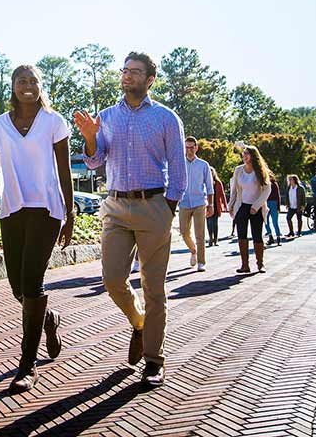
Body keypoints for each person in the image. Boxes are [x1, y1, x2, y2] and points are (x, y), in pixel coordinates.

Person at [74, 51, 186, 388]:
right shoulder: (106, 116)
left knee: (155, 289)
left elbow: (178, 169)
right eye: (125, 70)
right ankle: (138, 323)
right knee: (112, 280)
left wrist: (168, 208)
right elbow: (94, 162)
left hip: (154, 206)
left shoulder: (167, 118)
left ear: (150, 79)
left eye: (135, 72)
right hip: (116, 207)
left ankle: (154, 360)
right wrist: (92, 136)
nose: (127, 76)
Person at [0, 64, 75, 394]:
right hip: (13, 209)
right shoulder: (0, 125)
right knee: (18, 287)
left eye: (33, 81)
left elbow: (64, 169)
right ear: (13, 87)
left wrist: (70, 212)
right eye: (21, 81)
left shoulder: (53, 122)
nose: (27, 86)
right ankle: (47, 319)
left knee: (32, 281)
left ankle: (27, 364)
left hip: (46, 209)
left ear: (40, 86)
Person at [228, 144, 272, 273]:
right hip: (242, 206)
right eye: (244, 153)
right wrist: (231, 205)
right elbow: (234, 189)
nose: (244, 156)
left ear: (253, 156)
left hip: (256, 208)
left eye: (247, 153)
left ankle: (260, 263)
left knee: (257, 235)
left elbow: (267, 190)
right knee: (241, 234)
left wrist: (256, 206)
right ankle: (244, 265)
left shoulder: (260, 171)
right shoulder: (238, 170)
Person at [179, 136, 214, 271]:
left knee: (200, 234)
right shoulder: (180, 164)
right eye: (187, 147)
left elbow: (209, 186)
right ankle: (193, 250)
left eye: (191, 147)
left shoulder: (203, 165)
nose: (189, 150)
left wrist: (210, 205)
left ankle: (201, 261)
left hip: (199, 202)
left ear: (196, 148)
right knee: (183, 232)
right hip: (184, 203)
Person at [206, 167, 226, 247]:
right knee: (209, 223)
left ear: (214, 173)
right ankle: (210, 238)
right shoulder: (205, 182)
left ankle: (215, 239)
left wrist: (225, 204)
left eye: (212, 172)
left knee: (215, 223)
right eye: (209, 172)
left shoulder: (218, 182)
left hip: (216, 206)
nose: (210, 174)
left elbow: (222, 194)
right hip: (207, 205)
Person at [264, 175, 282, 246]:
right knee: (271, 221)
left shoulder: (270, 184)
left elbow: (278, 196)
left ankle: (273, 236)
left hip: (270, 203)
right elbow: (278, 196)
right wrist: (278, 207)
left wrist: (278, 207)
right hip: (271, 203)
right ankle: (275, 237)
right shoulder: (273, 184)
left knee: (268, 221)